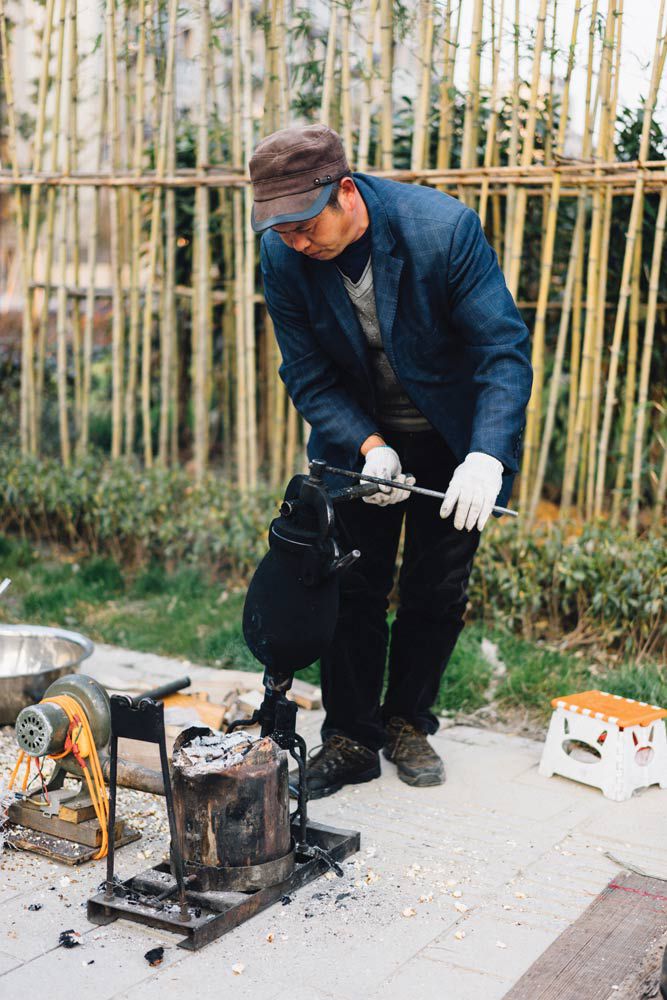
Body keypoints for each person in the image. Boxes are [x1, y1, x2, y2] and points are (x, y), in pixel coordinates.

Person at [249, 123, 532, 798]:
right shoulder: (283, 256)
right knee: (350, 585)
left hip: (453, 436)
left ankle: (407, 720)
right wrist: (370, 448)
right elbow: (308, 374)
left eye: (302, 225)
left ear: (345, 193)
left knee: (437, 587)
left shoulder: (441, 230)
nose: (293, 240)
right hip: (360, 444)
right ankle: (349, 737)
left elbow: (500, 351)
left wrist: (486, 457)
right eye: (278, 229)